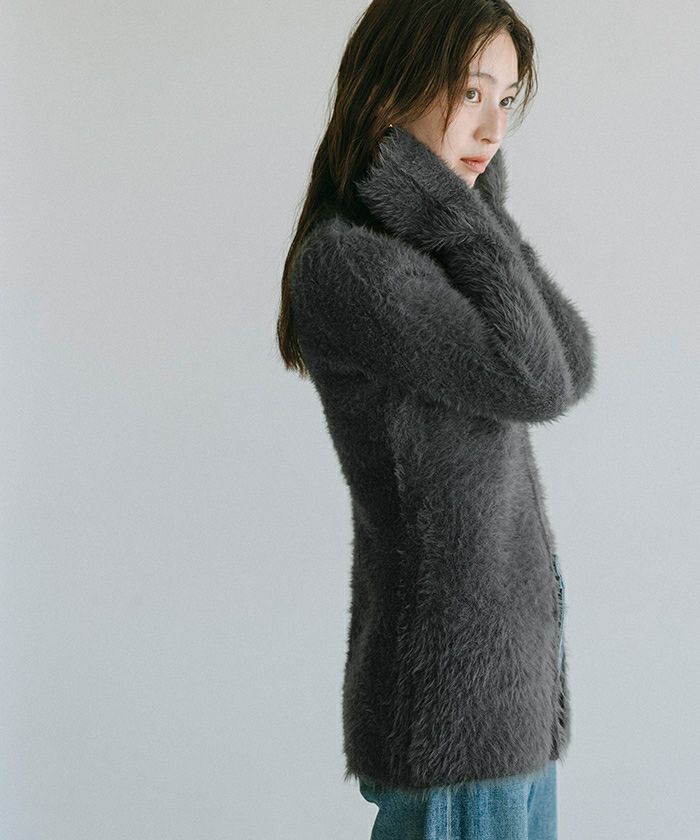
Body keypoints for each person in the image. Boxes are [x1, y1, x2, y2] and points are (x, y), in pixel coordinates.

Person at [277, 1, 597, 837]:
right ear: (390, 88)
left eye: (507, 98)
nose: (492, 128)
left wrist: (480, 215)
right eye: (470, 91)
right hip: (455, 709)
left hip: (508, 704)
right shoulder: (353, 264)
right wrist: (462, 218)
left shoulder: (432, 246)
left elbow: (569, 358)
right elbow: (536, 381)